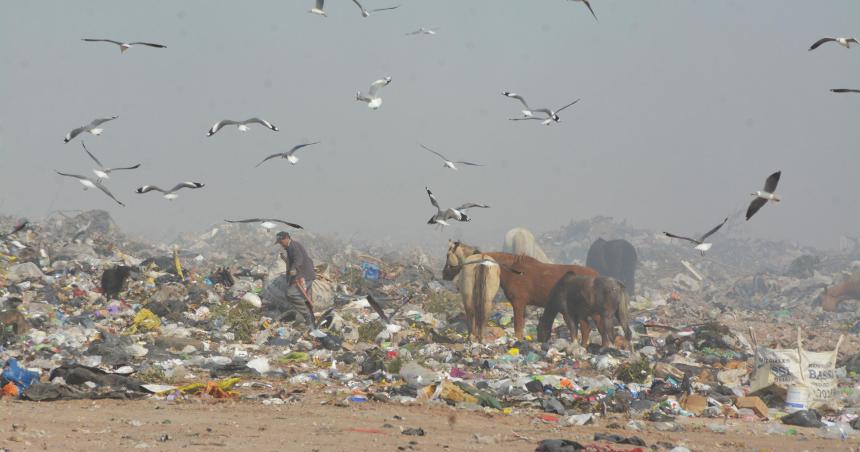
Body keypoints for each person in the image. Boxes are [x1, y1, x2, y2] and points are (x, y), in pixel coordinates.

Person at [274, 231, 316, 327]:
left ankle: (307, 316)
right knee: (305, 299)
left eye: (281, 242)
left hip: (304, 276)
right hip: (304, 275)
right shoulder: (289, 247)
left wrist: (293, 269)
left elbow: (299, 259)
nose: (280, 244)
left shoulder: (294, 246)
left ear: (286, 238)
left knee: (291, 294)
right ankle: (309, 322)